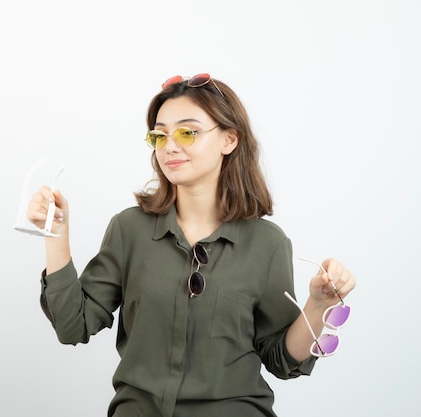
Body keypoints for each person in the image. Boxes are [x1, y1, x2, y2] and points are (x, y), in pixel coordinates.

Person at [25, 73, 356, 417]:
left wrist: (318, 305)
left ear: (229, 139)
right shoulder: (129, 229)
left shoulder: (268, 243)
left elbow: (280, 358)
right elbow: (71, 326)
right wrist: (55, 234)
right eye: (159, 135)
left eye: (187, 132)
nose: (170, 146)